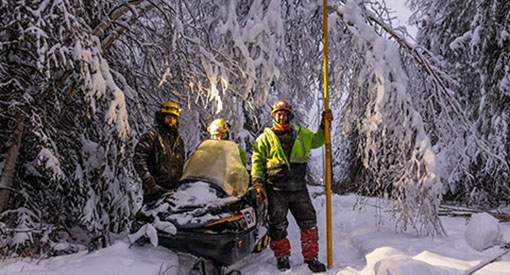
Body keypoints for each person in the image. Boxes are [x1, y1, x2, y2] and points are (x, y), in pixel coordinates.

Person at [251, 100, 333, 272]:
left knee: (309, 221)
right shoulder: (264, 139)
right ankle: (282, 257)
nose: (281, 117)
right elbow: (257, 161)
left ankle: (311, 258)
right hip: (276, 189)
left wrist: (324, 125)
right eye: (278, 114)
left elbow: (318, 140)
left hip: (299, 188)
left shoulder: (301, 134)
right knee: (277, 224)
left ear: (289, 115)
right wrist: (258, 182)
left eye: (284, 113)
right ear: (273, 116)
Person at [133, 101, 185, 204]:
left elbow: (182, 161)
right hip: (155, 190)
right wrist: (149, 183)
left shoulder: (178, 139)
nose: (171, 121)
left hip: (174, 191)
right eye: (168, 118)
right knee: (151, 219)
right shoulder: (151, 136)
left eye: (174, 118)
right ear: (162, 117)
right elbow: (138, 159)